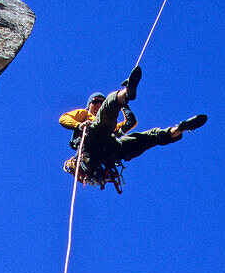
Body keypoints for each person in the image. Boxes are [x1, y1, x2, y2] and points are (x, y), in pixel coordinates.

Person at [60, 66, 207, 189]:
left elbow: (130, 122)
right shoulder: (84, 114)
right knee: (106, 117)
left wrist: (125, 103)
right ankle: (122, 94)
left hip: (111, 149)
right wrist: (79, 125)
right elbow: (64, 118)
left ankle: (178, 129)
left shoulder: (111, 124)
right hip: (92, 141)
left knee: (144, 138)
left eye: (100, 101)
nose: (98, 104)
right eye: (95, 101)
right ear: (89, 104)